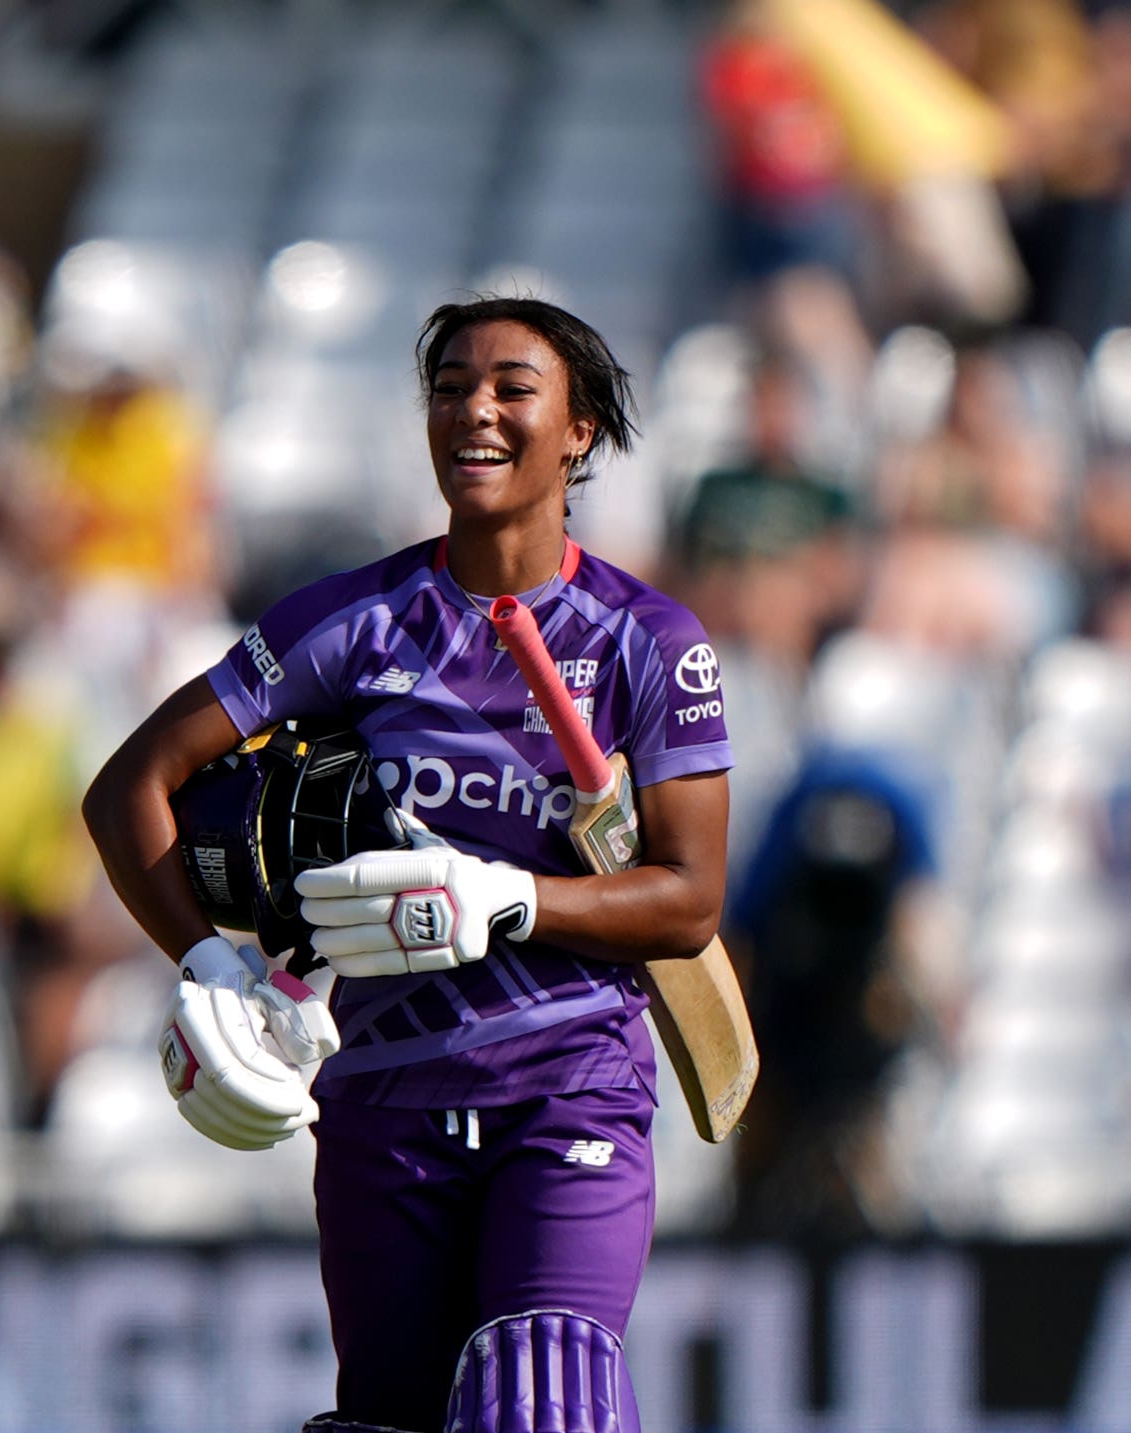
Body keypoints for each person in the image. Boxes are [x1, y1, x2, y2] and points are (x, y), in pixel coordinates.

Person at [83, 296, 734, 1433]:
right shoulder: (353, 620)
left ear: (578, 430)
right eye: (448, 386)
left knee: (546, 1396)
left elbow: (688, 902)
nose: (473, 410)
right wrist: (210, 963)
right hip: (385, 1096)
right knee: (391, 1418)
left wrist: (512, 898)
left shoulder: (647, 638)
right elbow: (127, 787)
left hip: (568, 1088)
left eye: (511, 388)